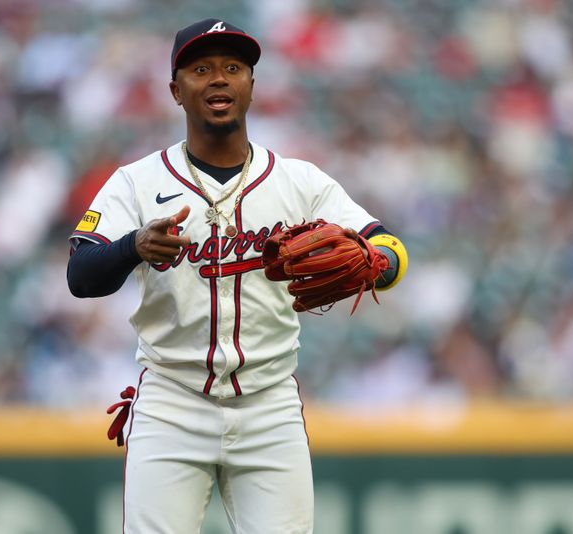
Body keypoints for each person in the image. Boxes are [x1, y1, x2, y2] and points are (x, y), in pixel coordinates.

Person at [66, 18, 408, 534]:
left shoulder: (299, 181)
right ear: (176, 90)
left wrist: (375, 263)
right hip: (171, 402)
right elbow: (81, 274)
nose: (219, 79)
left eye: (234, 68)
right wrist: (134, 246)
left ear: (253, 84)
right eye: (201, 69)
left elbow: (390, 246)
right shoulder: (136, 182)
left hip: (269, 405)